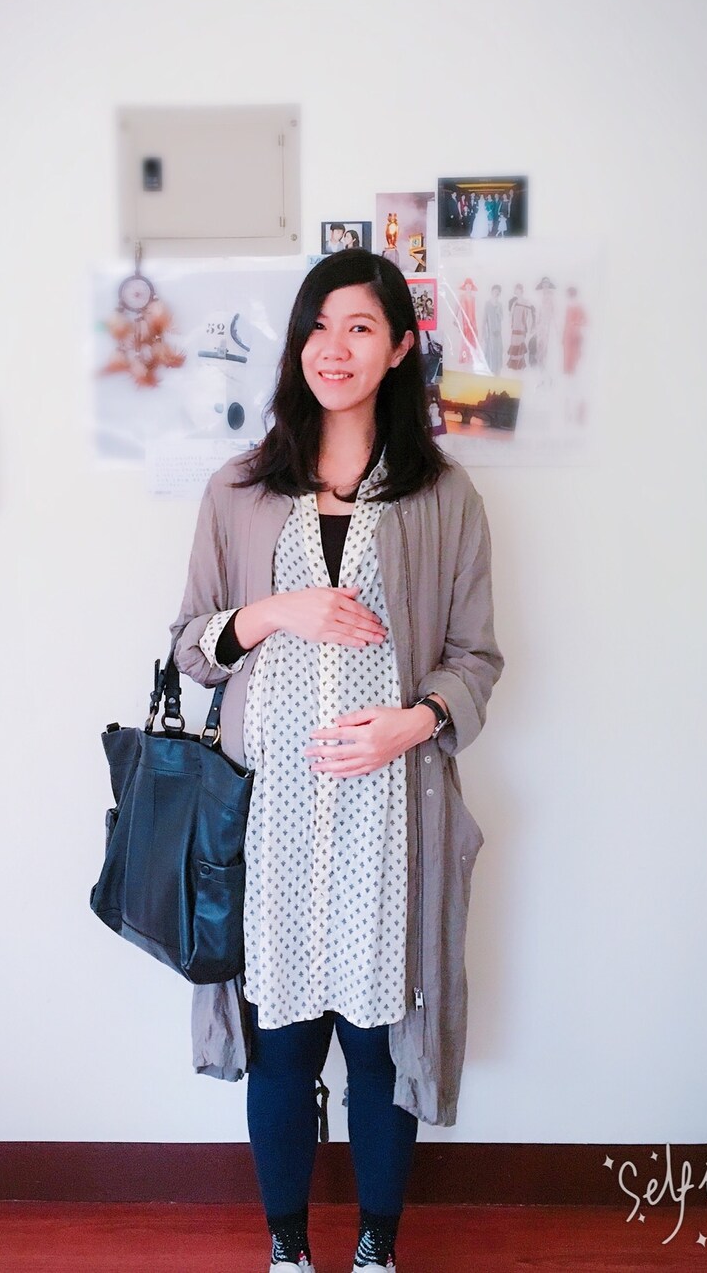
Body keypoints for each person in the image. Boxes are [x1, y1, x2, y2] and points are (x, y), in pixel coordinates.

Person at [171, 250, 503, 1273]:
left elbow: (476, 658)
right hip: (266, 819)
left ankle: (374, 1248)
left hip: (387, 819)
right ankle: (285, 1249)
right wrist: (275, 610)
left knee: (377, 1048)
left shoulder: (443, 498)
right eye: (319, 325)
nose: (334, 347)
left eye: (360, 326)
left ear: (399, 347)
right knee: (280, 1046)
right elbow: (190, 648)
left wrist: (415, 721)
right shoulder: (238, 490)